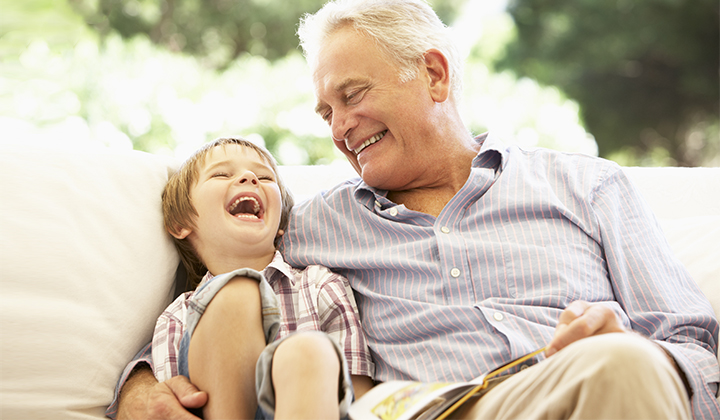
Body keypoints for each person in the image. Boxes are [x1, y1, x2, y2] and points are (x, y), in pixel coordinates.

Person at [111, 1, 720, 419]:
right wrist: (139, 387)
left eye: (352, 96)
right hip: (424, 408)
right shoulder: (312, 226)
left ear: (432, 74)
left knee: (621, 364)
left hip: (572, 392)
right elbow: (215, 292)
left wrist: (643, 359)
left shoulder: (587, 187)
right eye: (326, 115)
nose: (341, 129)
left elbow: (697, 347)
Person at [137, 136, 373, 419]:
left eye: (264, 177)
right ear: (180, 222)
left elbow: (359, 399)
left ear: (282, 224)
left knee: (307, 350)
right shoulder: (177, 317)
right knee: (236, 292)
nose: (249, 178)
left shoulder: (322, 285)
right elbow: (172, 407)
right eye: (222, 174)